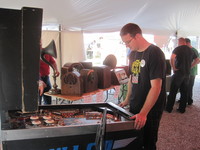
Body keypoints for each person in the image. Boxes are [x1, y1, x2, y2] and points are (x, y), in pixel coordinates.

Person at [119, 23, 166, 150]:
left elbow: (156, 87)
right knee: (136, 139)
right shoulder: (132, 54)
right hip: (136, 104)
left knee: (149, 141)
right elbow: (131, 78)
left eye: (128, 41)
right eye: (124, 43)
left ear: (137, 36)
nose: (127, 45)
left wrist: (143, 113)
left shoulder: (155, 53)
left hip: (150, 109)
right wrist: (127, 99)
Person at [165, 38, 199, 113]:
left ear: (180, 42)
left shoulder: (177, 49)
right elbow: (197, 59)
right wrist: (191, 66)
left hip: (178, 73)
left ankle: (169, 108)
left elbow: (172, 58)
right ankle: (182, 109)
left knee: (173, 91)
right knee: (184, 91)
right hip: (187, 73)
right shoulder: (191, 50)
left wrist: (173, 67)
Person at [185, 38, 199, 105]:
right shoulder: (187, 50)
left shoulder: (194, 50)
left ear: (188, 43)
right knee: (185, 86)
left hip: (192, 72)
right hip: (186, 72)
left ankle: (189, 100)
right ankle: (185, 99)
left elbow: (198, 60)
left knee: (189, 86)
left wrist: (190, 66)